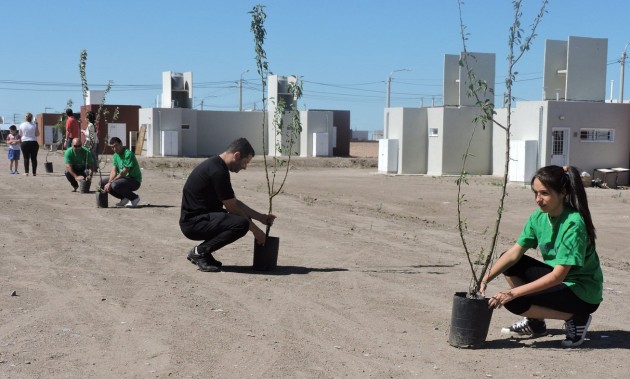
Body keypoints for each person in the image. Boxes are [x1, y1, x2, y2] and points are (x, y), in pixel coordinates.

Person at [482, 165, 603, 348]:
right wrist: (485, 279)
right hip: (561, 283)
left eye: (544, 193)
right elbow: (514, 253)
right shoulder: (538, 217)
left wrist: (512, 293)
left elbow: (558, 276)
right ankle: (536, 323)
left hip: (582, 293)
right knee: (509, 261)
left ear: (562, 192)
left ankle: (577, 318)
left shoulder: (573, 224)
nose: (538, 199)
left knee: (515, 302)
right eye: (535, 193)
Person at [179, 137, 275, 272]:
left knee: (243, 220)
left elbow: (234, 202)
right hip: (194, 223)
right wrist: (256, 231)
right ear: (236, 155)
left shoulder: (216, 166)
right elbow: (232, 208)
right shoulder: (218, 171)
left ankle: (204, 252)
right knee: (241, 224)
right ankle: (200, 252)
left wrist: (261, 217)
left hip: (201, 219)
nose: (245, 167)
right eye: (245, 162)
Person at [100, 137, 142, 208]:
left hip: (134, 180)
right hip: (123, 179)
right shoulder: (115, 155)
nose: (115, 149)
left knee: (114, 184)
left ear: (121, 144)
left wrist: (110, 183)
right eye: (112, 147)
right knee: (102, 183)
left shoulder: (128, 154)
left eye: (116, 145)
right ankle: (124, 198)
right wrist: (109, 182)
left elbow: (124, 172)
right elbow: (114, 171)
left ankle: (134, 198)